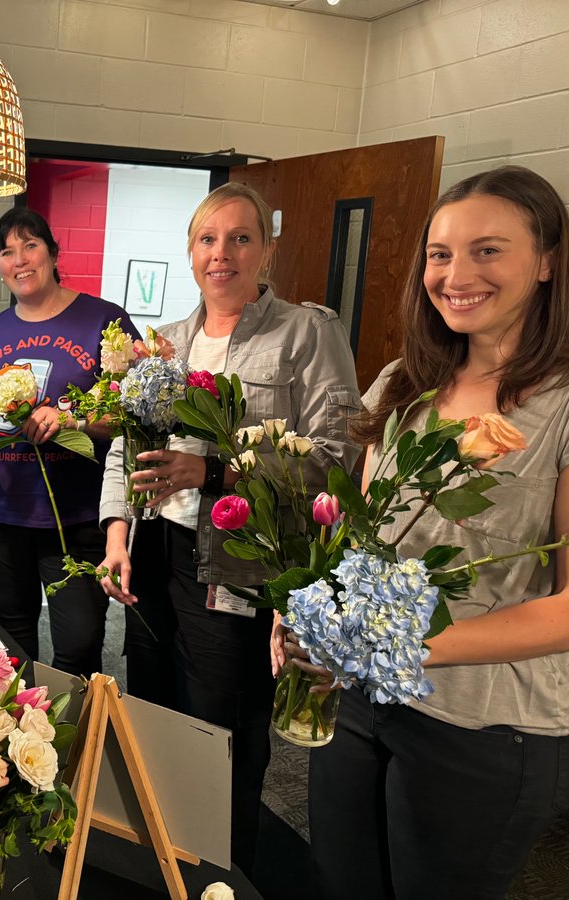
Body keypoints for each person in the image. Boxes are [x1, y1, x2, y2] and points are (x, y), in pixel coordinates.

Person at [284, 166, 569, 899]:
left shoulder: (562, 410)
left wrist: (408, 645)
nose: (455, 274)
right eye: (440, 254)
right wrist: (313, 613)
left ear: (546, 262)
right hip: (360, 701)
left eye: (488, 250)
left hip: (482, 726)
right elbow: (359, 534)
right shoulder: (402, 382)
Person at [98, 182, 360, 874]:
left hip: (239, 562)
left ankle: (221, 870)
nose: (224, 253)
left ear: (266, 249)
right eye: (209, 239)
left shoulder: (307, 333)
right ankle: (160, 851)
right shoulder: (165, 343)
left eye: (241, 237)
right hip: (156, 553)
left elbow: (338, 461)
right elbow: (127, 448)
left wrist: (215, 475)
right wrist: (116, 535)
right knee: (152, 705)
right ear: (190, 254)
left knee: (221, 725)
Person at [0, 207, 138, 677]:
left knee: (79, 641)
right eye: (7, 252)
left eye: (30, 246)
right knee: (10, 638)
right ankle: (18, 742)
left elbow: (134, 415)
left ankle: (75, 743)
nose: (20, 260)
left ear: (54, 253)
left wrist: (71, 417)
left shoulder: (103, 321)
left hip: (76, 515)